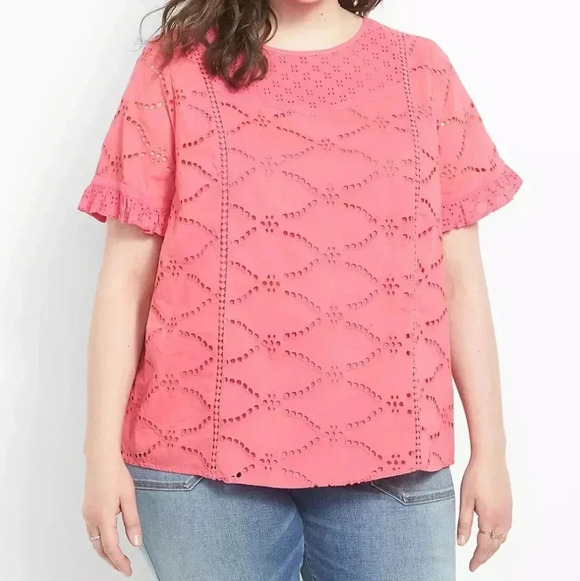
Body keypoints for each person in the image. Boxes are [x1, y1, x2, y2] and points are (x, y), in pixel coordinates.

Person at [78, 1, 524, 579]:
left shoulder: (421, 71)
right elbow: (125, 279)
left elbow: (460, 281)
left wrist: (492, 452)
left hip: (395, 461)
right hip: (200, 467)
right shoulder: (175, 68)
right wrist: (99, 455)